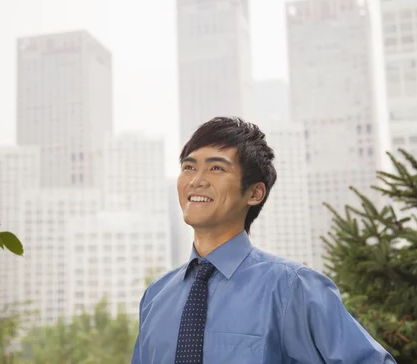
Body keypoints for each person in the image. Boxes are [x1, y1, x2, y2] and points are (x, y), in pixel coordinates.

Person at [131, 117, 396, 364]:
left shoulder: (292, 287)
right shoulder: (156, 296)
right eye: (189, 167)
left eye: (216, 168)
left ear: (255, 193)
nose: (196, 181)